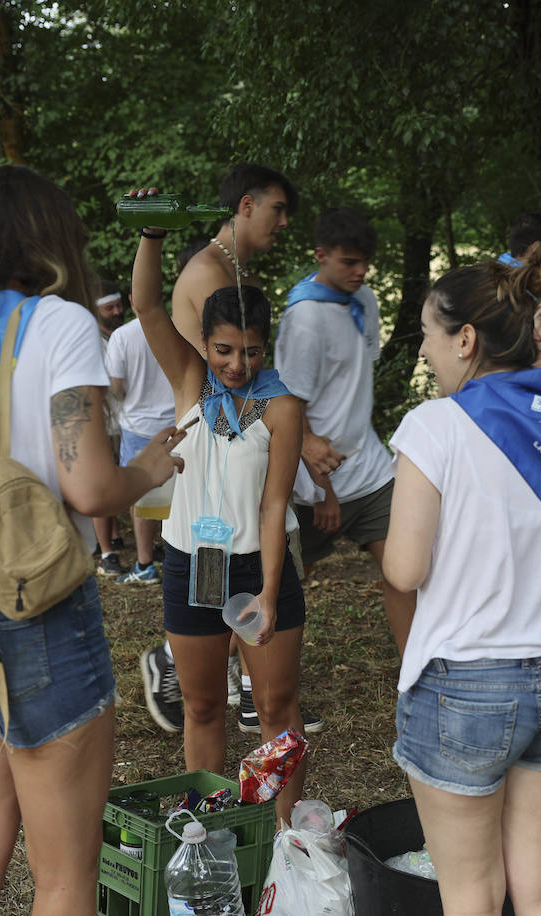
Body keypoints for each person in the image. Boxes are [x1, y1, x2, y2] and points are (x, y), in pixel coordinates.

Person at [0, 165, 182, 915]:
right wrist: (147, 467)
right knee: (61, 878)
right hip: (38, 610)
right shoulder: (61, 324)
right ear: (56, 242)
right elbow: (86, 487)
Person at [383, 261, 541, 916]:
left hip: (466, 683)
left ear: (465, 340)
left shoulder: (437, 425)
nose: (424, 349)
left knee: (472, 893)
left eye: (429, 332)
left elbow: (403, 570)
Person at [128, 184, 310, 823]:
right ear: (204, 344)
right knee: (202, 707)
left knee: (276, 710)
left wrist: (263, 594)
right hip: (190, 560)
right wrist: (152, 233)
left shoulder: (282, 406)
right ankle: (201, 829)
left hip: (259, 568)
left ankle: (284, 839)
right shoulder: (190, 382)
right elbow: (146, 304)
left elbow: (274, 504)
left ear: (268, 347)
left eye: (252, 352)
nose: (237, 365)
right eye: (225, 350)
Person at [277, 207, 415, 659]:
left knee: (404, 569)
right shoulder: (305, 318)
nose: (360, 272)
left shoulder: (365, 301)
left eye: (365, 262)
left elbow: (355, 380)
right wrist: (311, 454)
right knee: (284, 586)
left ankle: (417, 673)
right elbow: (287, 402)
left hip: (371, 469)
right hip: (312, 482)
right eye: (348, 262)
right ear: (322, 255)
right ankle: (221, 664)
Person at [170, 163, 298, 350]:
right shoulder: (206, 272)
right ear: (247, 205)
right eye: (277, 209)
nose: (284, 222)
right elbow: (236, 367)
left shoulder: (247, 276)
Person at [105, 299, 176, 586]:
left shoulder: (122, 336)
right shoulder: (176, 329)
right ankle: (175, 555)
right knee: (178, 493)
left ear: (134, 299)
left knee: (140, 497)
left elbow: (116, 387)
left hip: (138, 426)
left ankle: (145, 563)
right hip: (176, 422)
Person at [93, 280, 130, 577]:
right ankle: (106, 553)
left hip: (123, 420)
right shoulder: (89, 340)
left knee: (119, 481)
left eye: (119, 305)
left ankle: (115, 537)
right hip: (102, 423)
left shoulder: (123, 335)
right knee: (103, 485)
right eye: (110, 307)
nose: (118, 311)